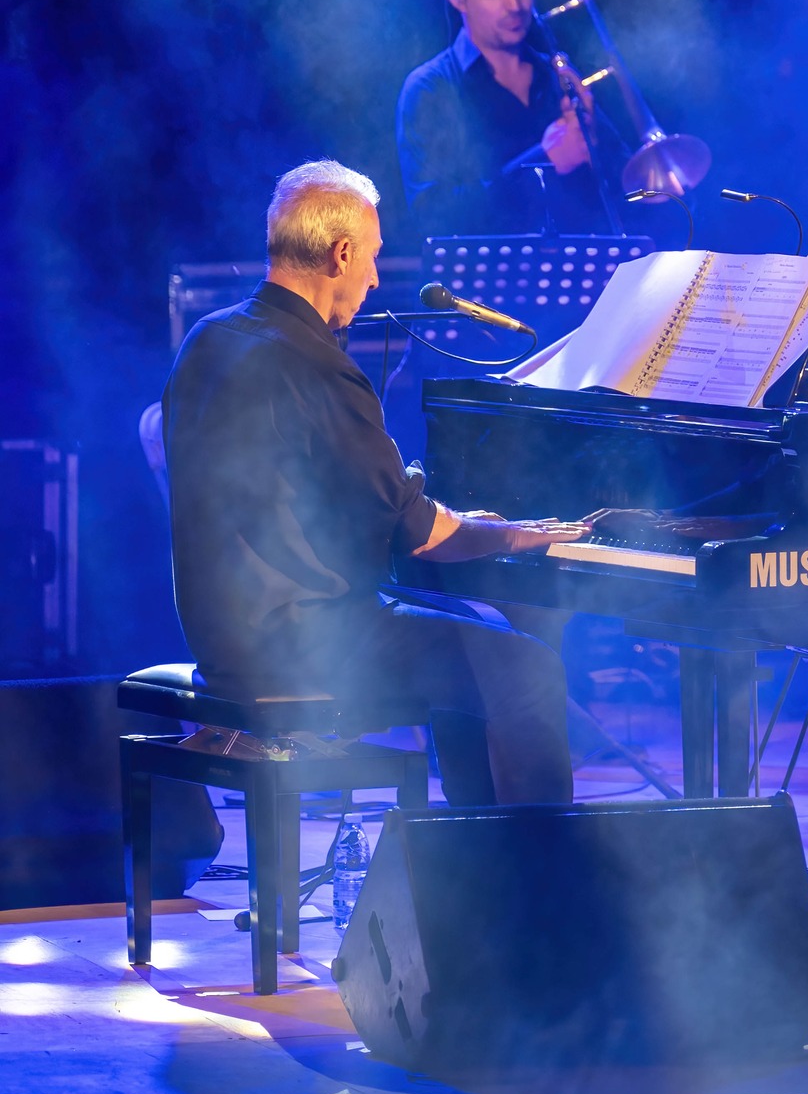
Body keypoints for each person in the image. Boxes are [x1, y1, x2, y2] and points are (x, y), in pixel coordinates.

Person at [161, 160, 589, 804]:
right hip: (302, 640)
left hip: (222, 633)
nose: (375, 279)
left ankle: (472, 840)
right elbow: (419, 534)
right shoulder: (314, 363)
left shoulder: (208, 338)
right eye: (374, 257)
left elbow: (288, 492)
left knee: (479, 633)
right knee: (526, 666)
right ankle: (526, 862)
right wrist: (510, 535)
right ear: (342, 254)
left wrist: (410, 504)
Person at [396, 0, 613, 239]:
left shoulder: (556, 76)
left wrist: (594, 147)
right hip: (481, 274)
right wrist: (545, 160)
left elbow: (622, 189)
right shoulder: (430, 88)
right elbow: (437, 219)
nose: (515, 5)